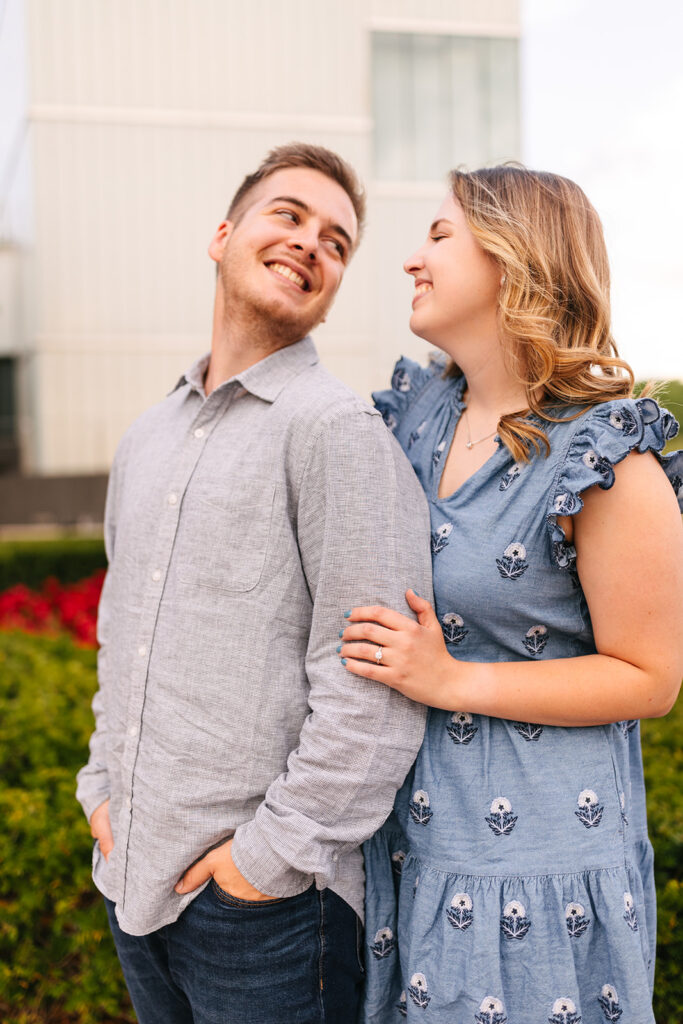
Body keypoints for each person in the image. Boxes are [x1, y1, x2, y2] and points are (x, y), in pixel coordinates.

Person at [75, 142, 433, 1024]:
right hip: (131, 876)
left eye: (336, 242)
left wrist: (262, 864)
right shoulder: (146, 436)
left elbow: (371, 689)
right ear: (223, 236)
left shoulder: (337, 431)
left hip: (269, 916)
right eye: (288, 215)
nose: (311, 242)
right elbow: (122, 634)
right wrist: (100, 791)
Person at [336, 166, 683, 1023]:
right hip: (409, 850)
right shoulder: (415, 416)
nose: (412, 259)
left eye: (439, 236)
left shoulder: (604, 454)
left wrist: (451, 679)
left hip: (537, 875)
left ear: (511, 259)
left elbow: (649, 677)